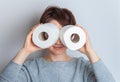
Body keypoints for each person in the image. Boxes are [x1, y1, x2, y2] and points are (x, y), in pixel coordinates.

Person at [0, 6, 115, 82]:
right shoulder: (30, 68)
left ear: (72, 35)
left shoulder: (83, 67)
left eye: (63, 34)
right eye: (53, 34)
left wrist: (90, 52)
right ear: (44, 34)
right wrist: (25, 51)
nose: (58, 41)